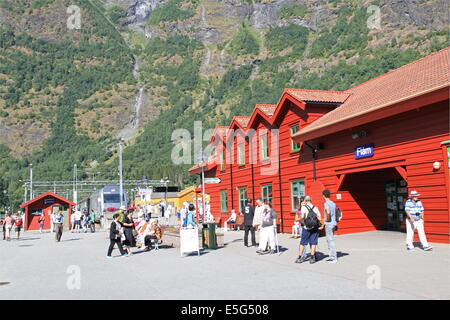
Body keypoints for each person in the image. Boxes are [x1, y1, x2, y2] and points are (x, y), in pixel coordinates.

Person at [295, 196, 322, 264]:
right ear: (311, 200)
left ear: (305, 201)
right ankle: (312, 257)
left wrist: (297, 219)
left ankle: (300, 257)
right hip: (314, 228)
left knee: (303, 243)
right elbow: (319, 217)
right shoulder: (315, 207)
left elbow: (303, 217)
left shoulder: (304, 207)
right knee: (313, 242)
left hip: (306, 227)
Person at [322, 189, 338, 263]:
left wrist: (327, 220)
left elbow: (328, 212)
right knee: (331, 240)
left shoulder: (326, 203)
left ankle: (333, 257)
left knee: (330, 240)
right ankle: (332, 256)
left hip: (329, 224)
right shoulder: (333, 203)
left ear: (323, 196)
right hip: (334, 223)